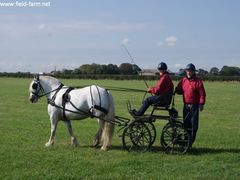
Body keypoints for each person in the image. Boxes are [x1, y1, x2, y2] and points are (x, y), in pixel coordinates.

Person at [175, 63, 206, 146]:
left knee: (194, 126)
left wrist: (201, 103)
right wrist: (175, 91)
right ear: (186, 71)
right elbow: (179, 89)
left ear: (193, 72)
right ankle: (185, 141)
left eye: (190, 71)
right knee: (186, 124)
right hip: (186, 106)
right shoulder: (183, 80)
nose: (189, 72)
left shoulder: (198, 81)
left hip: (194, 107)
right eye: (188, 71)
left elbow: (202, 94)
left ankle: (190, 143)